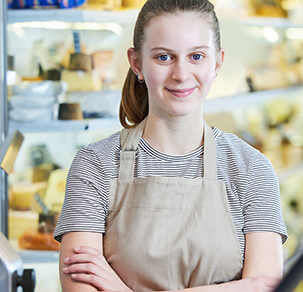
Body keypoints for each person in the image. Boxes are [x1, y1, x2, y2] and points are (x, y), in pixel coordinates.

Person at [54, 0, 288, 291]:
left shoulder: (251, 169)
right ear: (136, 63)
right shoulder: (95, 165)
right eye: (164, 57)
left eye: (197, 56)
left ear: (217, 62)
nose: (181, 74)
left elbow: (266, 287)